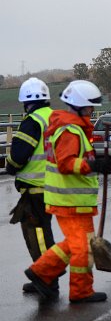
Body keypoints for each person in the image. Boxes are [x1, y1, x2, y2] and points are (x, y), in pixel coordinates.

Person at [25, 80, 111, 303]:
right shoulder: (69, 130)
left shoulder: (73, 128)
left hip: (73, 200)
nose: (92, 112)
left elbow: (77, 158)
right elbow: (66, 163)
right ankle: (81, 291)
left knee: (73, 244)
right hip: (70, 201)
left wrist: (97, 163)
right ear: (80, 106)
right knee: (83, 247)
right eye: (90, 108)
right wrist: (93, 166)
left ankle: (41, 272)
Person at [7, 78, 57, 294]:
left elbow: (18, 156)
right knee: (43, 232)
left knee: (37, 235)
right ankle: (44, 276)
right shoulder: (54, 118)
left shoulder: (32, 121)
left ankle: (47, 279)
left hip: (36, 189)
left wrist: (10, 166)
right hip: (54, 186)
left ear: (26, 102)